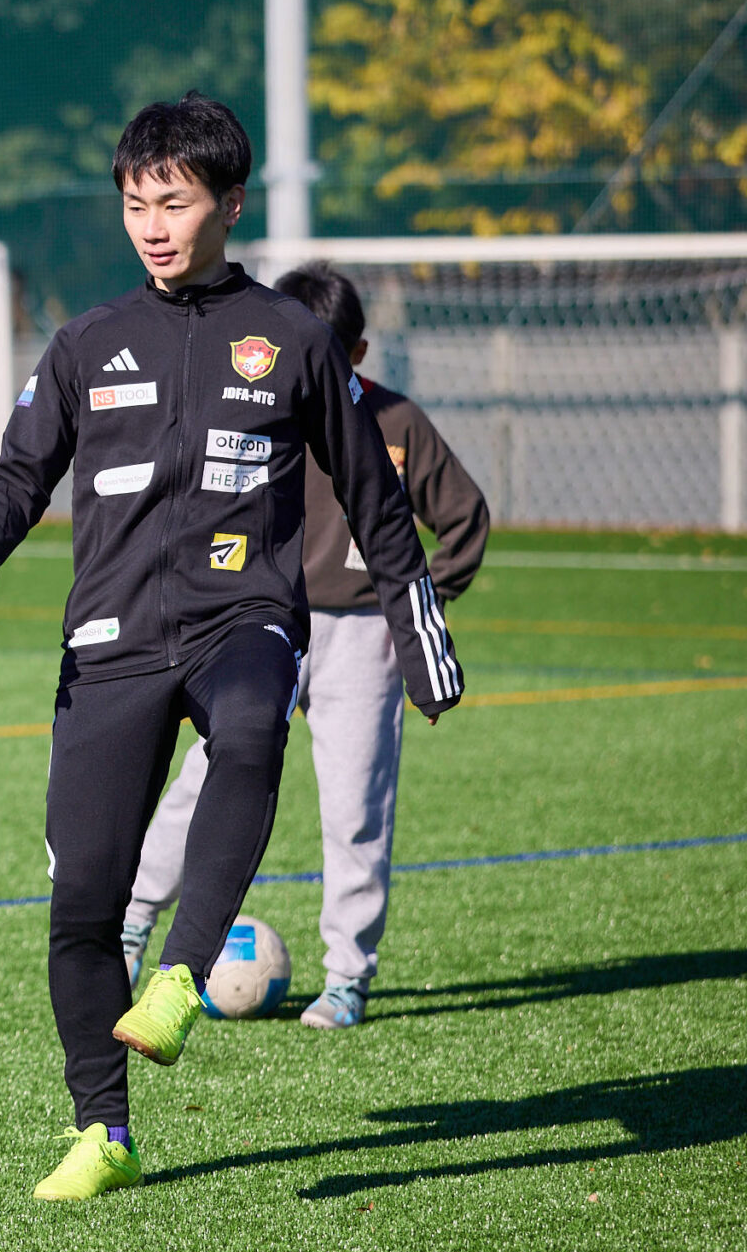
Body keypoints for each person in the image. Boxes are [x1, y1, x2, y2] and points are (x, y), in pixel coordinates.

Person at [0, 94, 464, 1202]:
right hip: (108, 644)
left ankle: (181, 971)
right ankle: (103, 1129)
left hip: (243, 620)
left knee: (250, 725)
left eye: (173, 203)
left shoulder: (296, 339)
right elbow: (19, 470)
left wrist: (419, 637)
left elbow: (375, 500)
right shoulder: (87, 343)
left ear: (229, 203)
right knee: (80, 901)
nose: (154, 225)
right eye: (136, 205)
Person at [122, 263, 488, 1028]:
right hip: (261, 626)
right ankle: (132, 926)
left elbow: (464, 519)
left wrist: (414, 611)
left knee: (356, 805)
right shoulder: (249, 412)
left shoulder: (397, 424)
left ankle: (348, 978)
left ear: (355, 352)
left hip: (363, 642)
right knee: (202, 782)